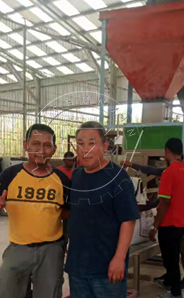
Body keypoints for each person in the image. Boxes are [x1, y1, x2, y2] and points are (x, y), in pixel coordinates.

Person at [0, 123, 71, 298]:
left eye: (47, 145)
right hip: (17, 249)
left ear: (54, 149)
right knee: (7, 292)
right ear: (25, 145)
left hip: (51, 252)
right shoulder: (10, 175)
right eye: (35, 144)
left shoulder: (62, 179)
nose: (41, 150)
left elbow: (66, 214)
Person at [65, 121, 140, 298]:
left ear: (104, 146)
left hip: (106, 269)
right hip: (77, 267)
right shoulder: (76, 176)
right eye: (81, 144)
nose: (86, 149)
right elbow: (74, 214)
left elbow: (128, 220)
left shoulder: (118, 177)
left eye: (92, 143)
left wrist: (119, 258)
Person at [121, 160, 184, 291]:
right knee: (177, 249)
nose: (160, 180)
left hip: (175, 221)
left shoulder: (171, 173)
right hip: (183, 219)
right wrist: (132, 164)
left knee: (175, 251)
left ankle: (178, 285)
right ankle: (174, 278)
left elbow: (163, 202)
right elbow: (150, 170)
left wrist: (154, 226)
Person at [148, 138, 184, 298]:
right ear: (182, 152)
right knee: (176, 253)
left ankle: (176, 294)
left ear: (167, 151)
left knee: (170, 259)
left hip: (169, 223)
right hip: (183, 222)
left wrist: (155, 226)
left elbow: (164, 203)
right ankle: (169, 282)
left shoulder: (168, 173)